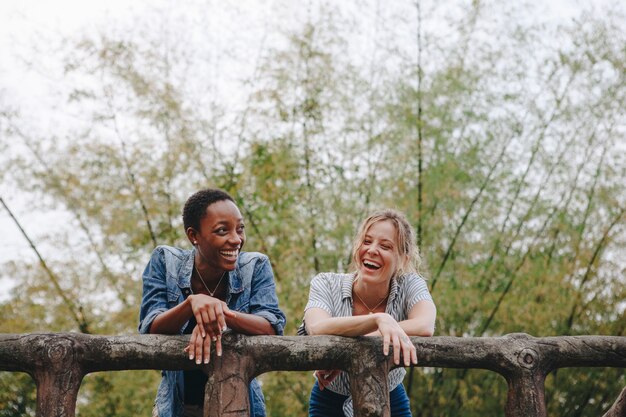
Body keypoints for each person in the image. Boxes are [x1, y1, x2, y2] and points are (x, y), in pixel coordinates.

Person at [139, 188, 286, 417]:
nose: (236, 240)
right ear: (193, 235)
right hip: (176, 406)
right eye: (222, 231)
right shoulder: (165, 261)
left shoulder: (255, 265)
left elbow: (271, 325)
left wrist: (219, 314)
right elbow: (150, 327)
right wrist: (192, 304)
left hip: (240, 404)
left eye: (240, 229)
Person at [299, 209, 436, 417]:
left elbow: (425, 325)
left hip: (391, 397)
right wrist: (379, 320)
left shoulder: (411, 283)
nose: (372, 250)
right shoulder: (325, 282)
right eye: (366, 241)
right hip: (329, 399)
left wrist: (343, 354)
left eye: (385, 246)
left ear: (403, 259)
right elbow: (317, 327)